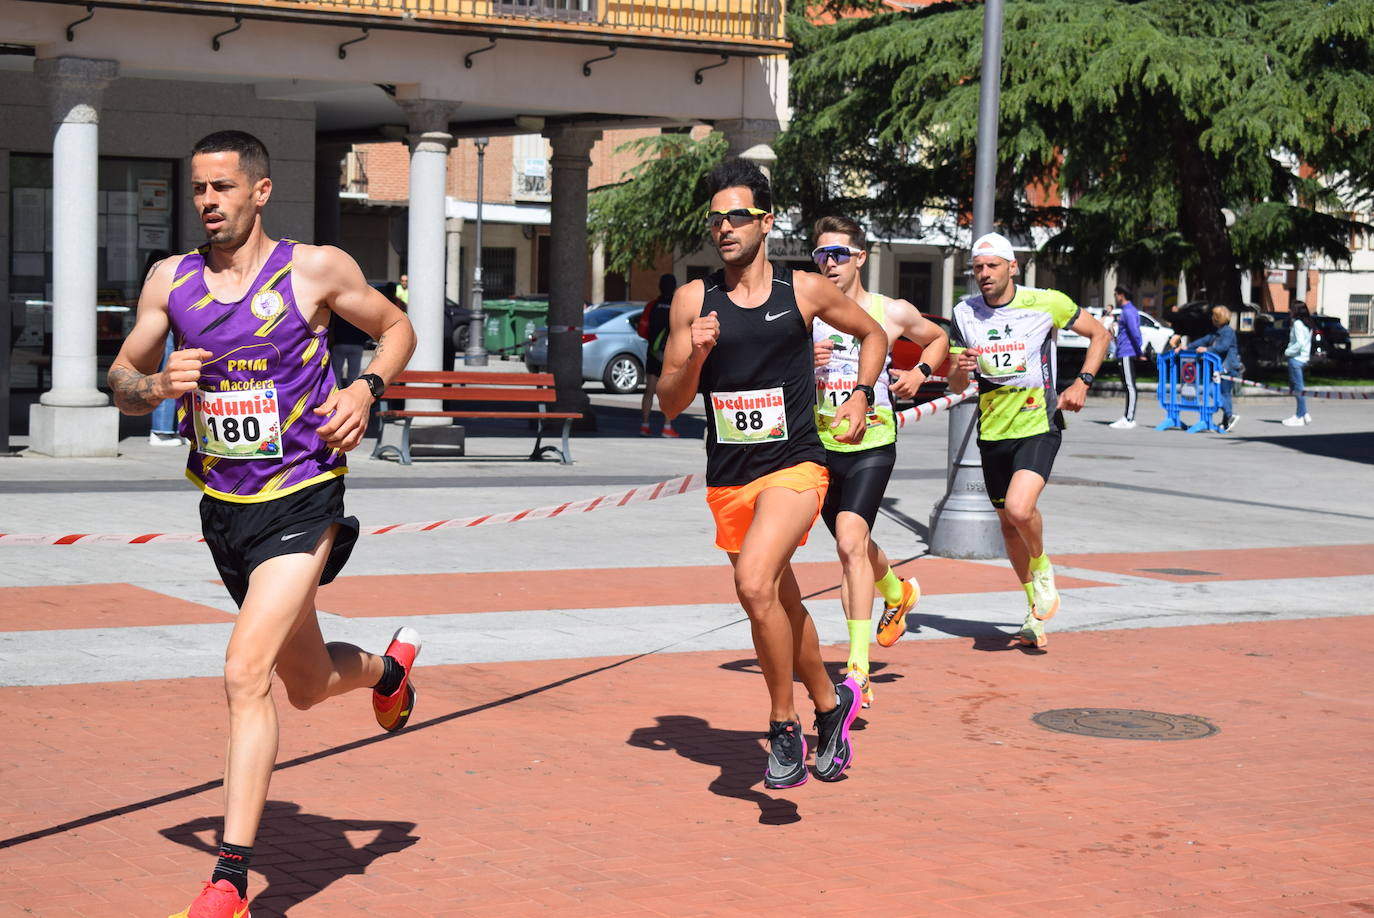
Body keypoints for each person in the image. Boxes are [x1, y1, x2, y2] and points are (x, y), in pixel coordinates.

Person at [106, 130, 420, 918]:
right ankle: (389, 672)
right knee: (306, 686)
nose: (208, 203)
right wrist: (154, 385)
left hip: (305, 495)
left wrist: (365, 392)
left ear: (260, 191)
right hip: (226, 512)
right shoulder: (169, 281)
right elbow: (118, 379)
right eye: (199, 190)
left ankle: (229, 883)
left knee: (245, 673)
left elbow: (397, 328)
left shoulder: (313, 269)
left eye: (222, 188)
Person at [657, 158, 886, 789]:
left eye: (737, 215)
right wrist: (697, 354)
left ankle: (782, 726)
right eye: (716, 219)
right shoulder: (693, 301)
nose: (724, 227)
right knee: (780, 598)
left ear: (766, 221)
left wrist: (862, 394)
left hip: (796, 465)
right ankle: (831, 707)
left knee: (755, 584)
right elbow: (671, 401)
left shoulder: (804, 291)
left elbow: (873, 335)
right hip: (729, 477)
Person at [945, 232, 1109, 650]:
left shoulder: (1047, 302)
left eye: (992, 266)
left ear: (1012, 267)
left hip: (1038, 422)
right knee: (1007, 523)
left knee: (1020, 509)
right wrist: (961, 368)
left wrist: (1082, 383)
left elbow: (1101, 335)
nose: (983, 274)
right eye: (978, 267)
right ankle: (1035, 606)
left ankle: (1043, 567)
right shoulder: (965, 313)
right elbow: (956, 381)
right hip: (992, 429)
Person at [810, 215, 948, 706]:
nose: (828, 263)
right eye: (820, 255)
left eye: (838, 254)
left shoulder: (891, 312)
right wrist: (806, 363)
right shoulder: (805, 311)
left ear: (860, 258)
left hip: (871, 441)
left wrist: (920, 371)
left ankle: (857, 668)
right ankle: (896, 593)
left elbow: (937, 338)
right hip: (818, 445)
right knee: (858, 545)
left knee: (850, 544)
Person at [1169, 304, 1241, 432]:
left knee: (1216, 391)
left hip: (1228, 367)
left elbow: (1223, 347)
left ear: (1218, 318)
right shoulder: (1216, 333)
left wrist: (1207, 350)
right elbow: (1203, 340)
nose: (1212, 318)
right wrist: (1187, 347)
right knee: (1222, 393)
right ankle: (1227, 421)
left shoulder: (1227, 332)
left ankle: (1229, 416)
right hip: (1220, 368)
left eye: (1214, 316)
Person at [639, 273, 679, 437]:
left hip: (653, 353)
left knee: (649, 390)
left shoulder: (652, 305)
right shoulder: (678, 305)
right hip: (671, 354)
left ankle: (645, 425)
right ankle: (667, 427)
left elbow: (642, 330)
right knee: (669, 391)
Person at [1108, 286, 1145, 429]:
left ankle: (1129, 418)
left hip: (1127, 352)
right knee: (1128, 385)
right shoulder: (1129, 310)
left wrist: (1139, 350)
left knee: (1130, 386)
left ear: (1121, 295)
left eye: (1116, 295)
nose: (1115, 298)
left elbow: (1135, 332)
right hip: (1125, 351)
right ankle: (1128, 417)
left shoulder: (1128, 311)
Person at [1282, 301, 1314, 426]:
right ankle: (1304, 413)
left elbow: (1299, 343)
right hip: (1303, 358)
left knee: (1297, 389)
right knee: (1297, 388)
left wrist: (1287, 352)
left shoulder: (1297, 324)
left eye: (1291, 309)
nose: (1289, 311)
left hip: (1296, 359)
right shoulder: (1308, 324)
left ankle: (1299, 416)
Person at [330, 312, 371, 386]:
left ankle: (336, 391)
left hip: (339, 344)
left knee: (336, 372)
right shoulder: (359, 316)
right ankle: (351, 391)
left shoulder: (338, 314)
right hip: (357, 345)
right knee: (353, 373)